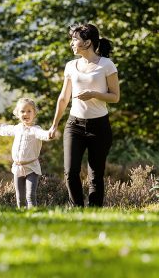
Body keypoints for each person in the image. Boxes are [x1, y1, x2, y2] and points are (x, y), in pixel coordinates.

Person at [48, 23, 120, 207]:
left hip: (99, 126)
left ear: (87, 42)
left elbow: (115, 97)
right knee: (70, 171)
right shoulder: (71, 66)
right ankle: (77, 209)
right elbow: (64, 97)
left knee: (95, 174)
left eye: (74, 39)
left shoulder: (106, 65)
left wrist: (94, 94)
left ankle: (94, 211)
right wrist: (54, 124)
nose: (71, 43)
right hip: (74, 125)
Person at [0, 98, 57, 208]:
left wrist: (49, 134)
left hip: (32, 168)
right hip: (18, 168)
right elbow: (5, 129)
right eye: (22, 111)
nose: (26, 114)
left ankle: (33, 215)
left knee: (30, 196)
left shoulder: (35, 129)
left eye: (29, 111)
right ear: (17, 114)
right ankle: (22, 217)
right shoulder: (17, 128)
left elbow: (43, 134)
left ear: (34, 113)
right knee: (20, 198)